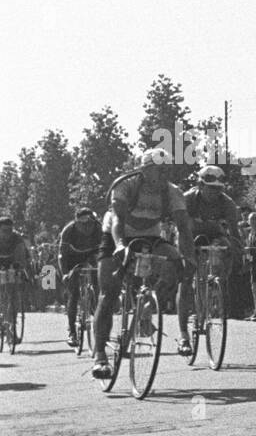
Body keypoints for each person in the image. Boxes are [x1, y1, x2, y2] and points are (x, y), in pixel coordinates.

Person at [90, 149, 194, 378]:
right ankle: (99, 355)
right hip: (117, 234)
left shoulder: (172, 191)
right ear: (145, 170)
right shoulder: (126, 185)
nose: (163, 175)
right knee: (108, 292)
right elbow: (117, 219)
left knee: (176, 266)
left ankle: (145, 310)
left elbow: (184, 228)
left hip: (150, 234)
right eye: (158, 170)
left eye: (166, 170)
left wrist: (189, 257)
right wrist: (119, 246)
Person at [181, 165, 243, 353]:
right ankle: (183, 335)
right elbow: (181, 229)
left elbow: (233, 232)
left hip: (214, 234)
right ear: (200, 184)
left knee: (226, 247)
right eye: (210, 188)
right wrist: (187, 254)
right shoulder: (187, 199)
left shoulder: (227, 203)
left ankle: (215, 284)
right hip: (188, 234)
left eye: (218, 189)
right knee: (185, 278)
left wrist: (237, 253)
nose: (214, 193)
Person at [58, 207, 100, 346]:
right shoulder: (68, 230)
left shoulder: (98, 228)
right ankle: (72, 332)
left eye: (89, 224)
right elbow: (61, 255)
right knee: (74, 294)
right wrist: (65, 274)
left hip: (91, 256)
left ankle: (96, 310)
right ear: (76, 223)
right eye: (83, 224)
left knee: (98, 282)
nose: (87, 228)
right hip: (71, 258)